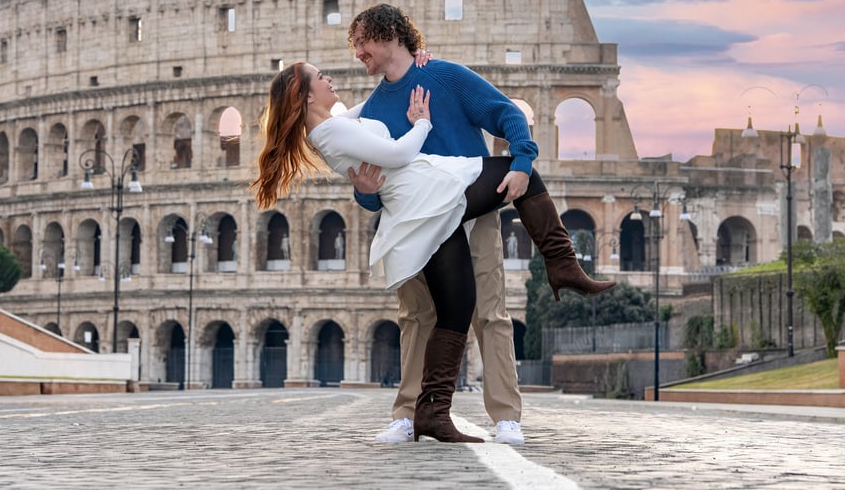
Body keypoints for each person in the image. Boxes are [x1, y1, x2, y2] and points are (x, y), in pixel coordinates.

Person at [251, 61, 615, 442]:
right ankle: (562, 265)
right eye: (320, 75)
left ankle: (439, 413)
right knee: (517, 173)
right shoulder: (331, 129)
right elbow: (390, 158)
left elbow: (369, 122)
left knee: (464, 307)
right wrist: (421, 122)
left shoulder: (355, 113)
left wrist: (410, 63)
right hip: (430, 195)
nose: (352, 60)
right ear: (307, 94)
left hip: (434, 198)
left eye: (363, 45)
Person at [345, 3, 613, 445]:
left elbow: (507, 113)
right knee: (416, 317)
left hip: (474, 215)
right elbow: (371, 193)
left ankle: (507, 416)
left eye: (362, 41)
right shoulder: (374, 109)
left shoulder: (445, 77)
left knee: (491, 314)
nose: (358, 52)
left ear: (390, 34)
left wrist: (524, 160)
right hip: (413, 226)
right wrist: (365, 189)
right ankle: (408, 415)